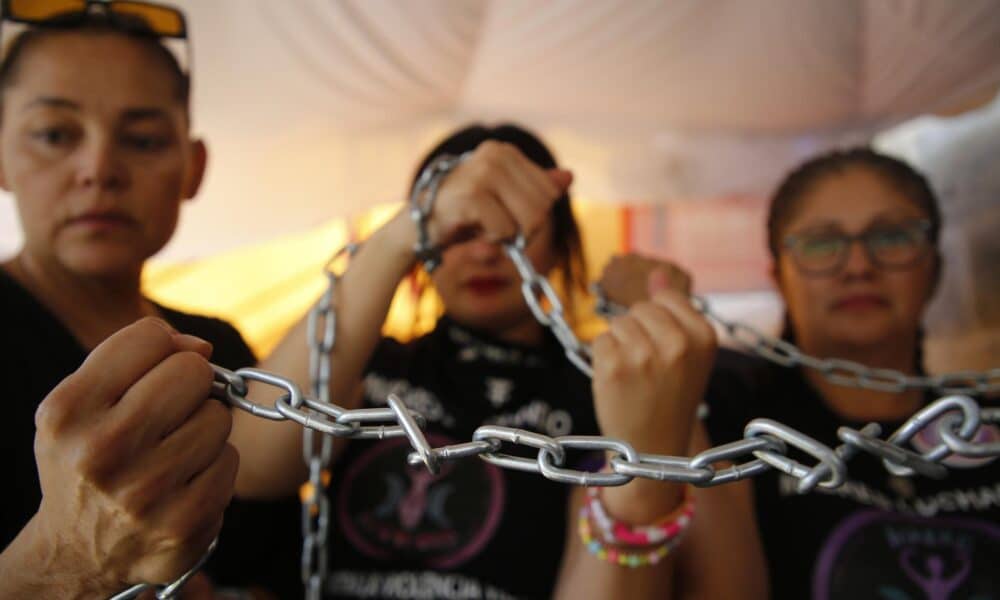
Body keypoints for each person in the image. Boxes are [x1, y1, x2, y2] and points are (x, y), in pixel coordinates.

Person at [232, 124, 765, 598]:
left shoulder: (604, 388)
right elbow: (252, 465)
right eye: (459, 230)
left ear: (559, 243)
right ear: (425, 248)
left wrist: (656, 342)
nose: (486, 250)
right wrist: (400, 233)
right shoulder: (370, 365)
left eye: (511, 228)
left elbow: (726, 587)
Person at [603, 148, 1000, 598]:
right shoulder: (730, 418)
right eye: (821, 243)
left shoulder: (984, 427)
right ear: (779, 275)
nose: (858, 266)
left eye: (891, 237)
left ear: (934, 267)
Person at [0, 4, 296, 597]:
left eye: (142, 139)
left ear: (194, 168)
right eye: (55, 134)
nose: (99, 169)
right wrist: (67, 561)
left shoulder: (220, 345)